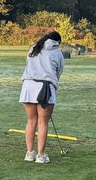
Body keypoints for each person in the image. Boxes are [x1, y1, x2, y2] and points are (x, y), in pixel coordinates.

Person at [19, 30, 65, 165]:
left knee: (31, 121)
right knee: (43, 123)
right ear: (58, 42)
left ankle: (29, 153)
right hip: (45, 87)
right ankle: (40, 155)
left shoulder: (34, 47)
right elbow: (59, 72)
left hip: (28, 86)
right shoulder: (57, 52)